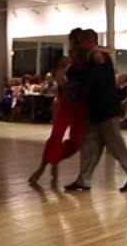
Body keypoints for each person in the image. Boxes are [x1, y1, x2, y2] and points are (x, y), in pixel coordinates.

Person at [64, 29, 127, 193]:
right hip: (97, 110)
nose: (78, 44)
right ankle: (84, 179)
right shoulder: (94, 56)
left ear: (87, 41)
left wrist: (74, 81)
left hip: (105, 109)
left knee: (116, 144)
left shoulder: (99, 58)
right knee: (90, 146)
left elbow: (90, 81)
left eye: (79, 41)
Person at [29, 29, 88, 186]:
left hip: (82, 106)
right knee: (57, 135)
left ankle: (53, 161)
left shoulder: (89, 58)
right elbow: (61, 86)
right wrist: (61, 82)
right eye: (73, 41)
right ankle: (43, 167)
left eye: (77, 41)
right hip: (67, 102)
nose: (75, 45)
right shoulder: (67, 61)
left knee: (76, 142)